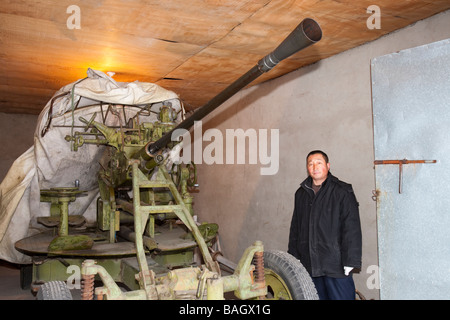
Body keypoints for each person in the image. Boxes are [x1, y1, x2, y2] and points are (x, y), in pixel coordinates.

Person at [288, 150, 362, 300]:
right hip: (309, 266)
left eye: (319, 163)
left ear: (328, 166)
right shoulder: (300, 194)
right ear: (307, 168)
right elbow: (296, 227)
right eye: (311, 164)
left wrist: (351, 261)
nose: (315, 166)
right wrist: (294, 257)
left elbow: (352, 228)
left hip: (336, 265)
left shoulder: (342, 191)